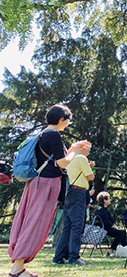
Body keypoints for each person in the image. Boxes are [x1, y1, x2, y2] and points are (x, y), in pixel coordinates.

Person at [9, 104, 90, 277]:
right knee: (35, 223)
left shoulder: (42, 134)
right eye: (67, 121)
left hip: (36, 183)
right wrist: (75, 151)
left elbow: (56, 160)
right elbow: (62, 163)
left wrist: (73, 150)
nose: (68, 124)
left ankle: (19, 266)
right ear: (62, 119)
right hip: (46, 185)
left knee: (27, 220)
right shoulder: (53, 135)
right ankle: (17, 268)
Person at [52, 130, 95, 267]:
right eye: (88, 149)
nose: (89, 152)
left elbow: (75, 172)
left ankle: (58, 257)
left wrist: (87, 167)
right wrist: (89, 169)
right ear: (83, 149)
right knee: (77, 226)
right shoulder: (82, 158)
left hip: (69, 194)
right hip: (79, 193)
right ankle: (74, 257)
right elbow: (90, 177)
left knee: (67, 227)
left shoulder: (69, 159)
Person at [93, 192, 127, 257]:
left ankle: (125, 250)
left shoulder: (104, 209)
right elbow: (106, 222)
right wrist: (114, 227)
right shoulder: (101, 210)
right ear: (104, 200)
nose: (110, 200)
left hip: (107, 227)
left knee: (122, 232)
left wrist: (115, 226)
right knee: (120, 233)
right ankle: (111, 250)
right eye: (109, 199)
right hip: (103, 229)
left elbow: (110, 221)